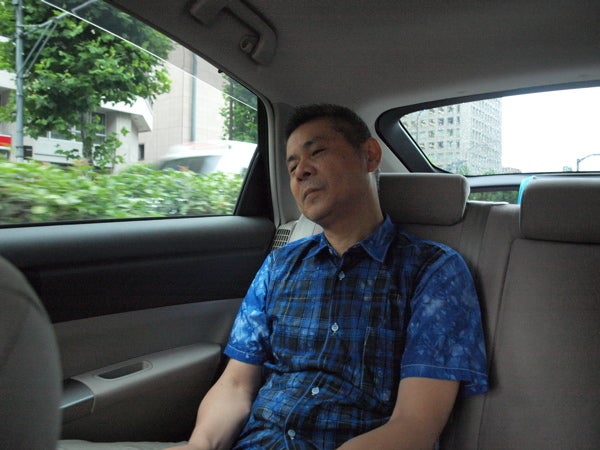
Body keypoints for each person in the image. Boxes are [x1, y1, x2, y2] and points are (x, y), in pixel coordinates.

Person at [166, 104, 488, 450]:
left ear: (370, 155)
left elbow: (416, 425)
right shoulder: (279, 266)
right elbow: (235, 385)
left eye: (317, 152)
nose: (301, 172)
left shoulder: (433, 270)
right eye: (292, 167)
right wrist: (199, 446)